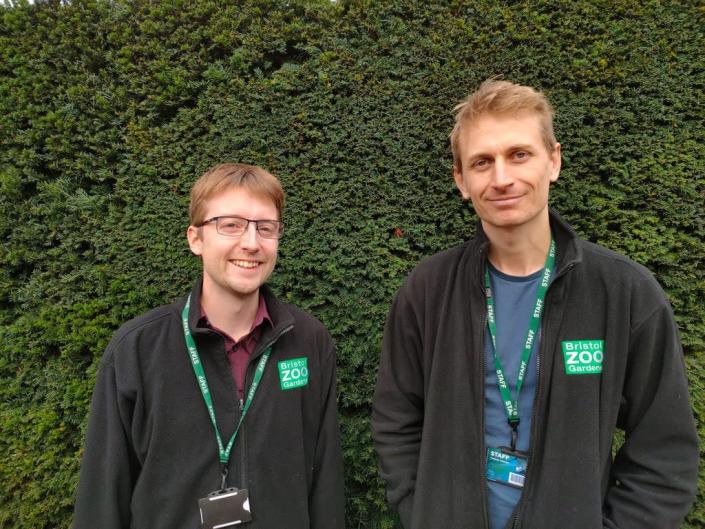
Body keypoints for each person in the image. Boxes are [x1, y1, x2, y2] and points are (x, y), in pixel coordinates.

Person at [372, 80, 698, 529]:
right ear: (461, 181)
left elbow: (665, 449)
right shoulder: (426, 291)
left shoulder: (625, 293)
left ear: (554, 161)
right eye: (482, 162)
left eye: (519, 154)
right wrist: (423, 510)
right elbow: (396, 420)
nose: (502, 178)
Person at [74, 163, 345, 529]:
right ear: (195, 238)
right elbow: (102, 496)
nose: (251, 242)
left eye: (265, 228)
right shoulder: (136, 350)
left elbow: (325, 475)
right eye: (230, 224)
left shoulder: (309, 341)